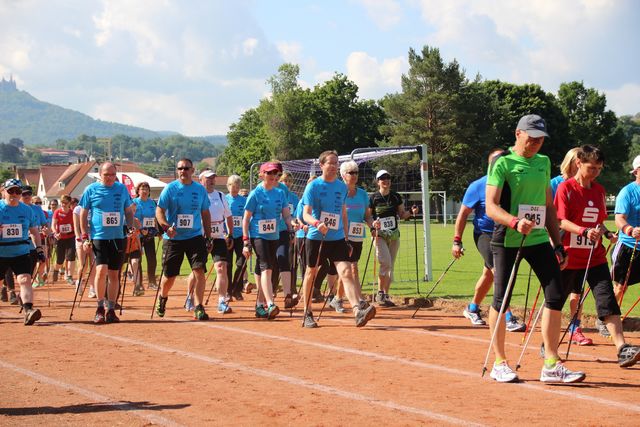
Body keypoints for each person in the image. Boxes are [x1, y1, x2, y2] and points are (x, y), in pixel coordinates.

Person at [485, 114, 585, 383]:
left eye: (540, 139)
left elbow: (548, 206)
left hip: (538, 239)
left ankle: (551, 363)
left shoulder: (543, 162)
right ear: (518, 134)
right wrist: (514, 222)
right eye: (531, 138)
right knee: (501, 300)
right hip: (507, 239)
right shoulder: (502, 162)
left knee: (555, 293)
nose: (536, 143)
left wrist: (557, 243)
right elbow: (491, 206)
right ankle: (499, 362)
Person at [554, 145, 640, 367]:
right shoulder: (566, 188)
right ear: (579, 163)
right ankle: (550, 346)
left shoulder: (599, 190)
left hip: (595, 257)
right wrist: (583, 231)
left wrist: (606, 232)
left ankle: (622, 348)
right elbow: (560, 221)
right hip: (569, 257)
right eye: (591, 168)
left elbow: (598, 221)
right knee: (555, 302)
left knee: (607, 301)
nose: (595, 173)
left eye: (599, 169)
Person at [300, 150, 377, 328]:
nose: (334, 166)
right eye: (331, 163)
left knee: (346, 271)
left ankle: (357, 311)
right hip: (316, 237)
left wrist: (347, 238)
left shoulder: (342, 187)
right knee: (311, 273)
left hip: (337, 238)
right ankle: (307, 312)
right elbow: (305, 214)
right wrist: (317, 223)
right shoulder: (313, 186)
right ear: (322, 165)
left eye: (336, 163)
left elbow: (343, 213)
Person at [453, 149, 525, 331]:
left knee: (489, 274)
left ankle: (472, 308)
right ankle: (507, 317)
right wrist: (457, 241)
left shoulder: (513, 183)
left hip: (506, 234)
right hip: (484, 235)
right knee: (500, 272)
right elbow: (463, 214)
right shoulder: (478, 186)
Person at [155, 158, 212, 321]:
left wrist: (208, 237)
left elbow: (205, 213)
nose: (183, 171)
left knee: (199, 271)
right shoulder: (170, 188)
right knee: (170, 276)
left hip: (195, 236)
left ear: (192, 171)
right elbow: (159, 210)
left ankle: (199, 307)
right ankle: (163, 297)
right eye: (180, 168)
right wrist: (166, 227)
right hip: (174, 238)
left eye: (186, 168)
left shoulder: (200, 190)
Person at [79, 162, 135, 324]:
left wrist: (130, 226)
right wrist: (84, 236)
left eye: (112, 175)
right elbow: (83, 214)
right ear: (100, 175)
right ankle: (99, 307)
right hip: (99, 237)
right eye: (106, 175)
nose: (110, 178)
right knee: (101, 270)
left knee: (114, 274)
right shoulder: (91, 190)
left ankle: (111, 309)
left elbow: (128, 211)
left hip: (118, 237)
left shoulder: (121, 189)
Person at [242, 162, 291, 319]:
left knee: (265, 268)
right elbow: (246, 219)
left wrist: (291, 227)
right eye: (269, 173)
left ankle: (259, 305)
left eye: (275, 173)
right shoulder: (255, 194)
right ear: (262, 174)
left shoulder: (280, 193)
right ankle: (270, 303)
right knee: (267, 268)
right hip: (258, 235)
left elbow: (286, 215)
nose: (272, 176)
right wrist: (245, 241)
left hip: (274, 236)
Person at [329, 160, 375, 313]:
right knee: (351, 268)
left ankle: (337, 298)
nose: (354, 175)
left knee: (349, 269)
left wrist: (372, 225)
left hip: (357, 236)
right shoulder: (338, 193)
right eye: (351, 173)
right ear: (343, 175)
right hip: (341, 236)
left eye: (356, 172)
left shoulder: (362, 194)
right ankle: (359, 300)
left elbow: (367, 216)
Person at [185, 169, 233, 314]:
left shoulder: (220, 195)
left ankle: (221, 301)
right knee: (198, 270)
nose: (211, 180)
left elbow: (228, 216)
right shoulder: (197, 195)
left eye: (213, 178)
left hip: (219, 237)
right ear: (201, 181)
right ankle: (190, 297)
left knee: (221, 267)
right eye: (208, 178)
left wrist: (230, 234)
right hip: (200, 237)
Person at [369, 169, 419, 307]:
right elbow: (368, 216)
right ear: (378, 182)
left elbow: (402, 215)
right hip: (379, 235)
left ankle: (385, 294)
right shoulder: (373, 198)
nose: (386, 180)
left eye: (388, 178)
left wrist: (411, 212)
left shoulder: (396, 197)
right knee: (385, 263)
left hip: (394, 235)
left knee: (390, 265)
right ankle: (380, 293)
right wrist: (372, 227)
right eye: (382, 178)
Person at [0, 179, 45, 325]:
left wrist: (39, 249)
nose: (14, 194)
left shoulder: (27, 210)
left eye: (17, 191)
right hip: (1, 252)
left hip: (21, 252)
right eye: (10, 191)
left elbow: (34, 231)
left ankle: (28, 310)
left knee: (25, 279)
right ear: (3, 192)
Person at [132, 181, 159, 292]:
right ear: (138, 191)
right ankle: (139, 283)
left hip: (149, 233)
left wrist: (158, 231)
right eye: (142, 189)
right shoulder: (134, 202)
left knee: (152, 258)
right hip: (138, 234)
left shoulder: (152, 203)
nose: (145, 191)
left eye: (147, 189)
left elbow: (155, 218)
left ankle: (152, 282)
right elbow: (131, 217)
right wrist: (139, 229)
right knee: (138, 259)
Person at [20, 186, 49, 287]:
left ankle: (31, 283)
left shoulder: (37, 208)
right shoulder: (17, 208)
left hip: (34, 243)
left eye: (29, 194)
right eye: (24, 194)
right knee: (23, 272)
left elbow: (44, 223)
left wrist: (46, 229)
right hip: (20, 244)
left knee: (32, 269)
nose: (27, 196)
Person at [225, 175, 248, 300]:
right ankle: (228, 291)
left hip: (240, 236)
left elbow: (247, 218)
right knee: (227, 265)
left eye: (237, 186)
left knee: (241, 263)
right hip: (228, 236)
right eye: (232, 186)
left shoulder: (244, 201)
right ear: (228, 186)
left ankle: (236, 289)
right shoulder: (224, 199)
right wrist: (225, 234)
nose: (234, 188)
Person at [73, 196, 96, 298]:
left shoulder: (95, 208)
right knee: (83, 265)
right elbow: (76, 226)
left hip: (94, 238)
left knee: (93, 264)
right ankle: (79, 282)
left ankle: (92, 287)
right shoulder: (77, 209)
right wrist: (78, 237)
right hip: (82, 239)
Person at [51, 194, 76, 285]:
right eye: (62, 202)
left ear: (69, 203)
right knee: (60, 259)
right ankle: (56, 271)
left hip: (71, 237)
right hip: (60, 238)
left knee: (71, 257)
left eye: (65, 203)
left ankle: (69, 276)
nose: (63, 204)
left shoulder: (72, 212)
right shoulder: (57, 212)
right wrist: (55, 233)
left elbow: (76, 225)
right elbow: (53, 225)